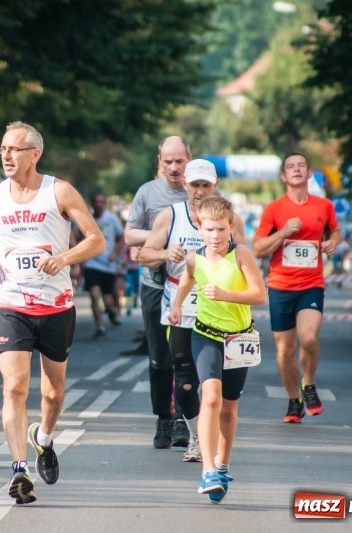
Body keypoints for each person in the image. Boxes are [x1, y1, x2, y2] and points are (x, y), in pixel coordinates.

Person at [0, 121, 105, 505]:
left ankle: (44, 438)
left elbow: (96, 239)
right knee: (15, 385)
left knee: (52, 392)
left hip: (56, 306)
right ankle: (19, 469)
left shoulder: (59, 191)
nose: (6, 156)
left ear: (35, 153)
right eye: (2, 149)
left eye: (14, 150)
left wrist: (64, 258)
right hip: (12, 303)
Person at [139, 159, 245, 462]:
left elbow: (245, 260)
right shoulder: (169, 216)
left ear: (214, 186)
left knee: (218, 387)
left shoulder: (228, 219)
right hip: (182, 308)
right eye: (194, 185)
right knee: (185, 382)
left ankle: (215, 441)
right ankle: (197, 436)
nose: (199, 191)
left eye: (205, 185)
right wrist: (163, 253)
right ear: (185, 184)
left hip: (222, 312)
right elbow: (144, 254)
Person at [169, 196, 265, 503]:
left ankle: (223, 464)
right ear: (199, 227)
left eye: (221, 229)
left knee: (229, 406)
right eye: (209, 229)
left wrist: (225, 294)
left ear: (231, 227)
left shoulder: (241, 254)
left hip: (238, 339)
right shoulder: (195, 258)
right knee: (209, 397)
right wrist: (176, 305)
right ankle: (208, 470)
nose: (215, 236)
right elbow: (186, 280)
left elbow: (259, 295)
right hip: (205, 336)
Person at [252, 151, 340, 423]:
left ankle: (309, 384)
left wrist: (333, 241)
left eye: (302, 165)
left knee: (309, 338)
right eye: (291, 166)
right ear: (283, 176)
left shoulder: (324, 206)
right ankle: (293, 400)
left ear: (309, 172)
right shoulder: (274, 209)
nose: (297, 170)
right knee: (284, 349)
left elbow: (334, 231)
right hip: (280, 285)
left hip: (311, 284)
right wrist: (283, 232)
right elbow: (257, 248)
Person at [124, 136, 191, 447]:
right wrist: (161, 238)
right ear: (160, 161)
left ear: (189, 159)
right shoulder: (147, 193)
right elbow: (129, 234)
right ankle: (163, 417)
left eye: (180, 161)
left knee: (186, 356)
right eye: (168, 162)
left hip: (192, 287)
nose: (174, 168)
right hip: (156, 284)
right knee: (160, 359)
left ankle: (182, 420)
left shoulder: (202, 192)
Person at [83, 192, 125, 338]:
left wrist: (115, 253)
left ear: (105, 204)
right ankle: (100, 327)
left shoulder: (112, 219)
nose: (98, 205)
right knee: (94, 295)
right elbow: (78, 235)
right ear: (93, 203)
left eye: (101, 202)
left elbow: (122, 238)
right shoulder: (87, 219)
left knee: (108, 297)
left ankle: (111, 309)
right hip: (91, 262)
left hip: (108, 264)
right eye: (96, 202)